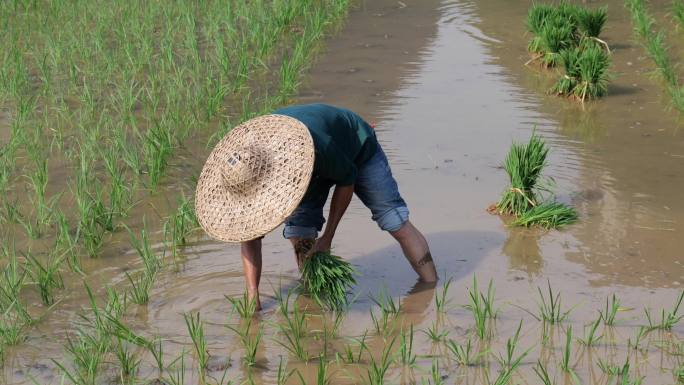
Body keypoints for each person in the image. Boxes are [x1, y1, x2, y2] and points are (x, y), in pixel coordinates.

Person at [195, 104, 437, 310]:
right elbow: (250, 237)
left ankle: (432, 289)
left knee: (393, 220)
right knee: (300, 233)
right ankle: (317, 301)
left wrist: (328, 237)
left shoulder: (316, 148)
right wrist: (252, 295)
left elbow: (347, 179)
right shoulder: (251, 173)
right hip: (301, 168)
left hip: (355, 149)